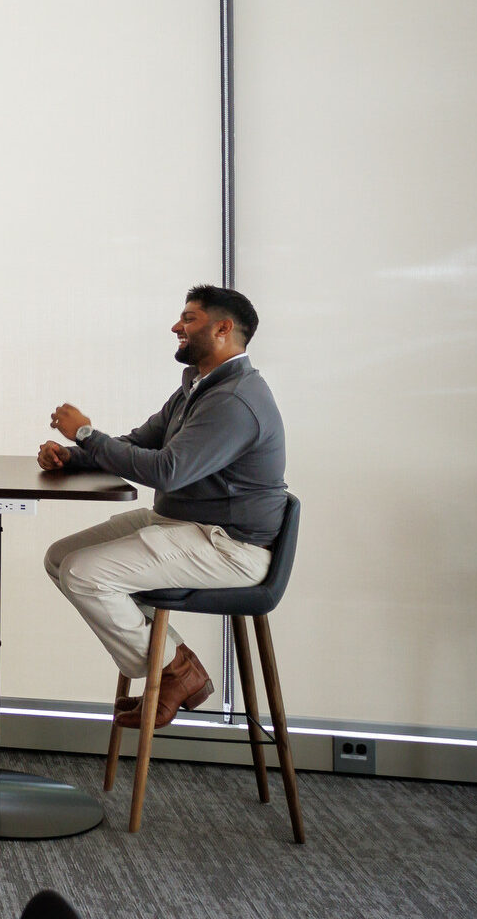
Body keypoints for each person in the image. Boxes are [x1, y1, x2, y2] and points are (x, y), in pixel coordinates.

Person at [38, 285, 288, 729]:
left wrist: (86, 435)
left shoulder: (235, 400)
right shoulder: (198, 386)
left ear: (224, 329)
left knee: (84, 573)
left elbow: (168, 471)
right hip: (185, 524)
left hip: (230, 547)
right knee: (60, 558)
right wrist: (73, 456)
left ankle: (174, 672)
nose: (176, 326)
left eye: (189, 319)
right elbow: (140, 442)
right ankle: (174, 666)